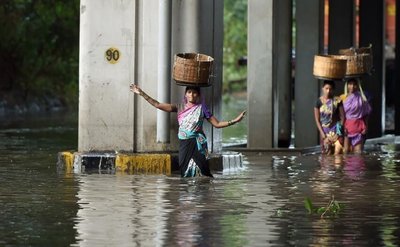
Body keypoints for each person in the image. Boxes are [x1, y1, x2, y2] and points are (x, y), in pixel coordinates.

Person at [130, 84, 246, 177]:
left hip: (198, 145)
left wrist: (235, 120)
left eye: (195, 92)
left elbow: (217, 124)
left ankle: (203, 198)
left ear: (198, 95)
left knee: (203, 171)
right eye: (189, 92)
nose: (192, 95)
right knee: (184, 169)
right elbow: (157, 104)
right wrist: (141, 93)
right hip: (184, 144)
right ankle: (187, 200)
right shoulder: (179, 107)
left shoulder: (202, 109)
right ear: (185, 94)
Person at [340, 78, 371, 154]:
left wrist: (366, 126)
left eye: (354, 84)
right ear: (347, 85)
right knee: (346, 151)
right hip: (347, 127)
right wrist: (342, 127)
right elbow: (341, 115)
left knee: (358, 152)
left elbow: (367, 113)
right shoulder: (343, 98)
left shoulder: (362, 98)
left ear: (357, 86)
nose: (352, 86)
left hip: (359, 127)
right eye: (350, 84)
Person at [314, 80, 345, 155]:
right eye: (326, 88)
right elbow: (317, 120)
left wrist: (338, 133)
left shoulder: (337, 100)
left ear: (333, 90)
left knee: (338, 153)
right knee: (327, 155)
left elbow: (342, 117)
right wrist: (323, 136)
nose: (328, 91)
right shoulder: (318, 102)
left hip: (336, 130)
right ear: (323, 88)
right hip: (325, 131)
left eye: (330, 89)